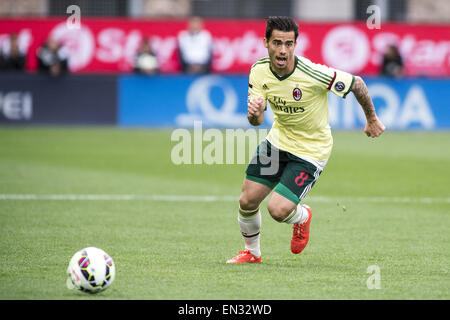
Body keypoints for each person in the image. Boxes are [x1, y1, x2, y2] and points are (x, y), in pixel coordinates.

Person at [226, 16, 385, 264]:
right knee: (247, 200)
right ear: (265, 42)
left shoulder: (313, 73)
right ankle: (252, 253)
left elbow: (357, 84)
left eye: (289, 44)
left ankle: (301, 217)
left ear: (295, 45)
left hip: (310, 151)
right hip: (278, 142)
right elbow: (256, 121)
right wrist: (255, 114)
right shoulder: (258, 71)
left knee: (277, 210)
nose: (282, 50)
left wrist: (372, 119)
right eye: (277, 43)